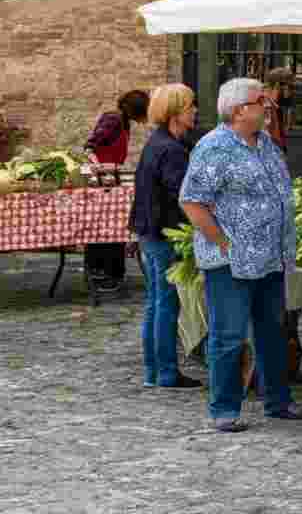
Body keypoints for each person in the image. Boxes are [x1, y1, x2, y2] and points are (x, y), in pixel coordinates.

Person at [179, 78, 302, 432]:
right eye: (262, 102)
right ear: (240, 110)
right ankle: (224, 409)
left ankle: (278, 402)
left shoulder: (266, 143)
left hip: (270, 257)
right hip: (232, 262)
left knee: (272, 331)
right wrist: (222, 242)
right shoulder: (214, 147)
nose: (269, 107)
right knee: (228, 335)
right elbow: (192, 201)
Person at [130, 84, 201, 390]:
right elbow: (184, 195)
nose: (195, 111)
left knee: (156, 302)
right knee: (166, 303)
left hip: (150, 231)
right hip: (162, 233)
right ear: (175, 113)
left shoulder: (157, 143)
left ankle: (154, 372)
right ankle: (167, 373)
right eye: (190, 107)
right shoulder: (170, 150)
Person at [84, 89, 150, 291]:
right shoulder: (113, 120)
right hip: (103, 182)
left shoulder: (123, 121)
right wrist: (100, 167)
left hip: (112, 180)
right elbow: (89, 147)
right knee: (106, 228)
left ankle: (110, 272)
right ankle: (102, 272)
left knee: (113, 227)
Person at [262, 66, 296, 154]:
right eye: (291, 87)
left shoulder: (275, 106)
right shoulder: (266, 106)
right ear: (278, 85)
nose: (293, 91)